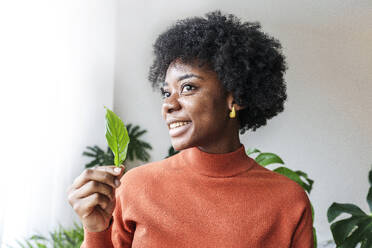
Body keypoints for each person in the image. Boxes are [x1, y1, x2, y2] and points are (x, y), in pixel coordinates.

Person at [68, 10, 314, 248]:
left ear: (235, 98)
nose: (169, 104)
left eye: (187, 88)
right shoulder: (135, 187)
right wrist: (96, 230)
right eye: (166, 92)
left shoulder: (288, 201)